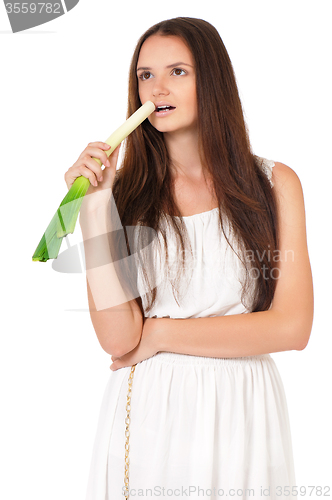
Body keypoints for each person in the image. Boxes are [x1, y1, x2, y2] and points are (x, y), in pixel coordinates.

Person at [64, 17, 314, 500]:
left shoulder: (275, 184)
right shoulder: (127, 197)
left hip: (247, 411)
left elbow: (292, 328)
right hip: (156, 412)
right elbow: (118, 340)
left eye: (178, 71)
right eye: (145, 75)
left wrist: (159, 333)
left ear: (212, 80)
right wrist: (94, 207)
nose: (157, 88)